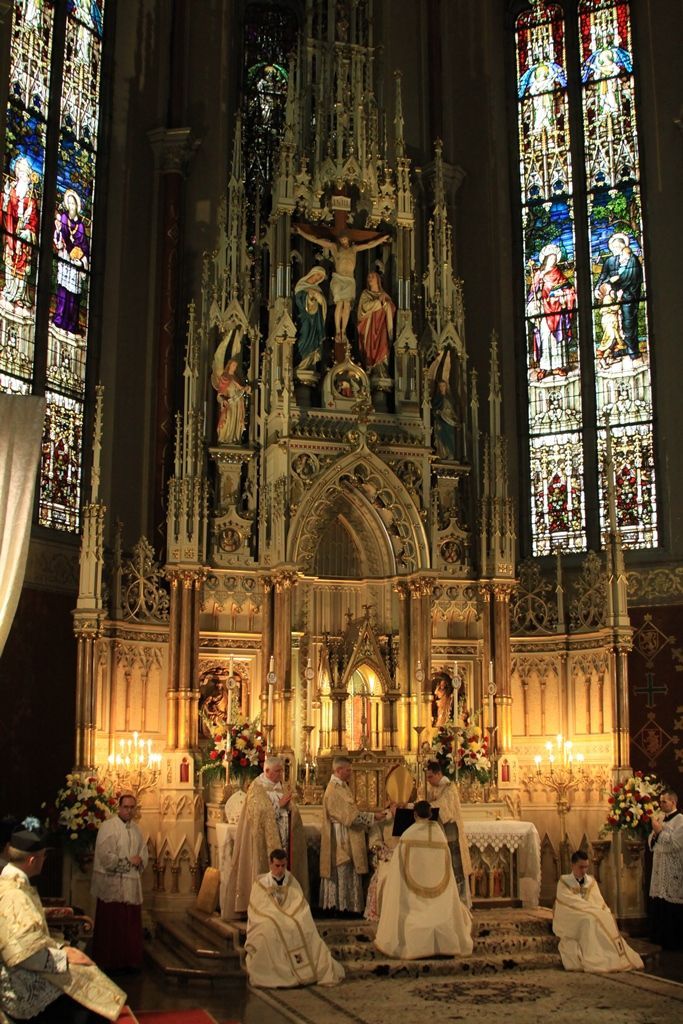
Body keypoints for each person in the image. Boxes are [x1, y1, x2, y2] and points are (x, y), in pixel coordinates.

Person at [0, 826, 126, 1022]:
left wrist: (62, 948)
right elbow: (23, 955)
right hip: (20, 985)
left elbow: (30, 938)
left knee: (89, 977)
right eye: (43, 856)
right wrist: (64, 958)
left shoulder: (8, 882)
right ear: (32, 860)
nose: (44, 860)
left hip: (22, 971)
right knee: (90, 1001)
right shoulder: (15, 895)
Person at [374, 801, 473, 960]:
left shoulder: (407, 836)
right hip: (438, 895)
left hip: (414, 901)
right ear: (431, 814)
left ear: (414, 815)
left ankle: (416, 945)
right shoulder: (440, 836)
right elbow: (447, 868)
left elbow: (398, 869)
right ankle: (445, 941)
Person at [223, 756, 309, 919]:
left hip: (284, 837)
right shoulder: (256, 788)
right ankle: (262, 908)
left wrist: (290, 809)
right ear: (267, 770)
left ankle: (286, 906)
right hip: (262, 841)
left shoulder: (283, 786)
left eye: (282, 770)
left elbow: (294, 809)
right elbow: (259, 814)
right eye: (278, 771)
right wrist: (279, 806)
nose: (281, 774)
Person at [245, 848, 344, 988]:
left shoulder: (291, 880)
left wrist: (292, 917)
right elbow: (258, 908)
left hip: (290, 917)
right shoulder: (260, 883)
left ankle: (309, 970)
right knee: (269, 930)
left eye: (283, 866)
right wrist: (277, 917)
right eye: (277, 866)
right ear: (270, 865)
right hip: (270, 918)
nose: (280, 870)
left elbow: (299, 904)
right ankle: (280, 973)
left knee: (304, 927)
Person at [293, 223, 389, 342]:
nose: (343, 241)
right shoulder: (334, 248)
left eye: (345, 239)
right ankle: (337, 330)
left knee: (347, 305)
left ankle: (343, 331)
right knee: (339, 303)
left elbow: (369, 245)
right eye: (341, 239)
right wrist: (302, 232)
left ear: (348, 239)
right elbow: (317, 240)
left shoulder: (354, 249)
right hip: (338, 278)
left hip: (349, 280)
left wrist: (381, 240)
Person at [553, 849, 643, 972]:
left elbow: (598, 900)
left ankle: (609, 954)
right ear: (573, 865)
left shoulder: (591, 881)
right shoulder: (564, 881)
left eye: (586, 867)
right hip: (570, 915)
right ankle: (594, 955)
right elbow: (568, 901)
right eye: (581, 867)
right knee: (589, 920)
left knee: (606, 917)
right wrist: (591, 910)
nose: (584, 871)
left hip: (590, 911)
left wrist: (603, 910)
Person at [319, 756, 389, 914]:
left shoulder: (343, 787)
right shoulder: (333, 790)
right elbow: (350, 817)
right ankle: (339, 907)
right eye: (348, 770)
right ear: (338, 770)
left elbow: (352, 811)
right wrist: (373, 817)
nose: (351, 773)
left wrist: (371, 815)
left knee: (350, 869)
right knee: (342, 868)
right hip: (340, 837)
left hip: (347, 833)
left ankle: (349, 906)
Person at [91, 793, 148, 972]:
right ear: (119, 807)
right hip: (113, 884)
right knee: (112, 924)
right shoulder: (108, 827)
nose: (129, 811)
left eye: (132, 807)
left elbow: (143, 852)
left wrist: (139, 861)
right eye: (126, 807)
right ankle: (109, 962)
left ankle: (129, 962)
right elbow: (105, 856)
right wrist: (127, 862)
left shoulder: (137, 829)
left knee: (129, 924)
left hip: (131, 883)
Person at [526, 243, 577, 381]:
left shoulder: (558, 273)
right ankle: (544, 367)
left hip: (557, 310)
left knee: (557, 340)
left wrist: (563, 295)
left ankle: (558, 366)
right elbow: (532, 293)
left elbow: (569, 290)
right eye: (551, 258)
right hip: (544, 310)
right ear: (546, 259)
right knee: (545, 337)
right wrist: (535, 301)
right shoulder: (538, 274)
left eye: (555, 258)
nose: (553, 261)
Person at [425, 760, 472, 906]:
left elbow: (445, 808)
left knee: (455, 866)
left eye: (431, 777)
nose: (429, 780)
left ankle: (460, 901)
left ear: (439, 774)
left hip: (451, 832)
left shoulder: (449, 787)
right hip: (439, 831)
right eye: (427, 777)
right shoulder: (435, 787)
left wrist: (425, 806)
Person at [594, 233, 643, 360]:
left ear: (624, 246)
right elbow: (602, 277)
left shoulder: (632, 260)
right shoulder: (609, 261)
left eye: (618, 246)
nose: (616, 249)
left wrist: (613, 285)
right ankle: (616, 348)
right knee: (612, 324)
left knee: (628, 323)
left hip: (628, 296)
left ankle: (631, 349)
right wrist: (597, 288)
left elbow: (633, 277)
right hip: (612, 298)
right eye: (613, 246)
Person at [1, 155, 40, 307]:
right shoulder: (11, 191)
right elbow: (5, 210)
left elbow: (34, 222)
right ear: (17, 173)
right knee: (10, 261)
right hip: (11, 231)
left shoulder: (31, 199)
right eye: (20, 172)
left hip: (24, 237)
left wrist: (27, 230)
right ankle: (10, 290)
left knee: (22, 266)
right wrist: (5, 200)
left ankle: (20, 295)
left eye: (25, 173)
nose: (23, 175)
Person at [648, 788, 683, 949]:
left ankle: (673, 941)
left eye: (664, 801)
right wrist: (655, 834)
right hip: (659, 865)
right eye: (660, 801)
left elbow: (676, 844)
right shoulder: (660, 817)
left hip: (673, 868)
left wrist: (659, 831)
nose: (661, 804)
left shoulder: (680, 820)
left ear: (673, 802)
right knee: (659, 899)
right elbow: (651, 841)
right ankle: (658, 938)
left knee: (671, 903)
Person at [52, 189, 89, 335]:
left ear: (77, 206)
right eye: (69, 203)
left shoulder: (80, 226)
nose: (71, 206)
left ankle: (71, 323)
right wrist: (59, 233)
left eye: (73, 203)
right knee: (62, 290)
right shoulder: (63, 219)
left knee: (73, 294)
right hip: (65, 258)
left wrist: (79, 256)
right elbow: (60, 235)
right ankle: (60, 318)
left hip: (74, 263)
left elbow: (84, 245)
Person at [356, 272, 395, 377]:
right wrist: (379, 302)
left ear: (378, 279)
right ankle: (369, 367)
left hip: (382, 326)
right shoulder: (365, 294)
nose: (370, 278)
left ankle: (381, 369)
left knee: (383, 345)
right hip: (369, 328)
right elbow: (363, 309)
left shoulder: (385, 295)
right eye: (368, 277)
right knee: (368, 349)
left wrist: (386, 304)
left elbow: (392, 309)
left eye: (372, 277)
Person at [293, 267, 327, 372]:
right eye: (318, 275)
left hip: (316, 321)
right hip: (305, 318)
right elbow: (299, 301)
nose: (318, 279)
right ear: (313, 273)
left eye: (321, 278)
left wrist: (319, 299)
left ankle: (310, 363)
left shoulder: (318, 289)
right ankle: (301, 363)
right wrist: (310, 298)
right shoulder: (301, 286)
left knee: (315, 341)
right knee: (304, 336)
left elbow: (323, 305)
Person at [211, 357, 250, 444]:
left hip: (237, 402)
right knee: (227, 418)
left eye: (236, 366)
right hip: (229, 401)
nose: (234, 367)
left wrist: (247, 388)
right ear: (229, 366)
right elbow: (220, 393)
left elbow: (241, 388)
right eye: (233, 365)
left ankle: (234, 437)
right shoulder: (224, 377)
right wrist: (223, 400)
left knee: (236, 419)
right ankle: (225, 438)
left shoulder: (236, 378)